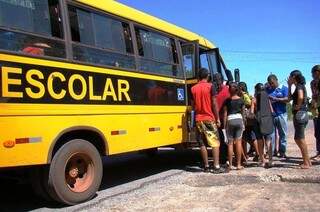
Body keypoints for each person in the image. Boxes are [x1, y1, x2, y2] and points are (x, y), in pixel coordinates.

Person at [191, 68, 224, 173]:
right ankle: (216, 166)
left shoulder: (193, 88)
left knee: (202, 143)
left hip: (198, 119)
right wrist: (217, 118)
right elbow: (214, 103)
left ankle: (206, 166)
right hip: (209, 118)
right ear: (208, 76)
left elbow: (193, 107)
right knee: (215, 143)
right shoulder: (211, 86)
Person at [287, 70, 312, 169]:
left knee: (300, 138)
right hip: (302, 114)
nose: (289, 78)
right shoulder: (297, 86)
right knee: (299, 138)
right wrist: (289, 86)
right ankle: (307, 161)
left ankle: (306, 162)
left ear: (294, 77)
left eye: (290, 77)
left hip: (300, 113)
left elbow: (300, 97)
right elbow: (289, 99)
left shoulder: (299, 86)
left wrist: (298, 106)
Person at [251, 83, 274, 168]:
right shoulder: (267, 98)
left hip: (258, 121)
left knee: (260, 141)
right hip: (267, 120)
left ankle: (262, 160)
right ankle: (271, 160)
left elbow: (252, 112)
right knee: (268, 140)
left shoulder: (254, 99)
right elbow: (271, 110)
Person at [223, 82, 245, 170]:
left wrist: (224, 126)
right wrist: (243, 123)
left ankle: (230, 165)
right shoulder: (241, 100)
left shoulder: (227, 101)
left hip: (230, 120)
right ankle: (238, 164)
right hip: (239, 119)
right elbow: (243, 113)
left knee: (230, 143)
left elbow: (225, 114)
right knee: (239, 143)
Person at [266, 74, 289, 158]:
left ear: (276, 80)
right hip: (271, 115)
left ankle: (282, 151)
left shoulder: (284, 88)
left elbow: (287, 99)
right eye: (270, 83)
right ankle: (271, 152)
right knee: (271, 135)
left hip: (282, 114)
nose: (271, 85)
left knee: (283, 134)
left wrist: (276, 99)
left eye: (272, 83)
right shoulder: (268, 90)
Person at [212, 73, 230, 165]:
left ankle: (221, 159)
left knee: (218, 140)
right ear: (222, 80)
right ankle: (229, 159)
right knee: (228, 139)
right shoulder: (227, 89)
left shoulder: (212, 90)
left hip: (215, 118)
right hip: (227, 118)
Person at [239, 82, 259, 162]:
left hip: (247, 119)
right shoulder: (247, 95)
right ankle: (246, 154)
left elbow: (250, 103)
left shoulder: (244, 95)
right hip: (248, 120)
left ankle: (257, 154)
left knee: (251, 137)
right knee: (245, 138)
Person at [310, 65, 320, 161]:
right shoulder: (312, 83)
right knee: (317, 133)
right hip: (315, 110)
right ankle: (318, 152)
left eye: (313, 72)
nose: (312, 75)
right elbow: (314, 95)